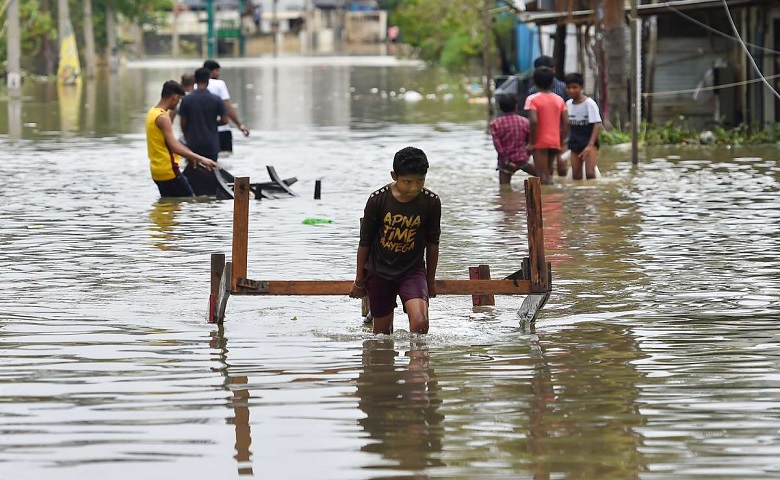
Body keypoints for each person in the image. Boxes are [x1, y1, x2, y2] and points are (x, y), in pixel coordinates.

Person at [349, 147, 441, 335]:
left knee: (420, 322)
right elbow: (364, 242)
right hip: (379, 271)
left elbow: (433, 243)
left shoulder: (431, 202)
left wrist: (430, 280)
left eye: (420, 181)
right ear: (394, 176)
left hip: (412, 270)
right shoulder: (378, 200)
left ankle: (419, 362)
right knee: (382, 334)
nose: (414, 187)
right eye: (407, 182)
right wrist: (359, 280)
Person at [145, 80, 219, 198]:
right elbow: (173, 146)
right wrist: (201, 159)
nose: (178, 103)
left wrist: (191, 155)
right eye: (179, 100)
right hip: (169, 170)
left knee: (170, 206)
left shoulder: (152, 113)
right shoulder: (163, 117)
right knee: (189, 200)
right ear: (174, 97)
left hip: (157, 170)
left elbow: (172, 142)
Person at [179, 68, 229, 195]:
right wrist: (211, 124)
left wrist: (187, 136)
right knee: (211, 173)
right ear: (208, 81)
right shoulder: (216, 99)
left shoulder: (187, 100)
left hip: (193, 144)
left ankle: (195, 197)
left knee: (194, 173)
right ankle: (210, 198)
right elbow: (224, 120)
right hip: (211, 144)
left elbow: (183, 123)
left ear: (195, 80)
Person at [526, 55, 569, 177]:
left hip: (540, 139)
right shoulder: (559, 98)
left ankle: (547, 195)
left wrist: (532, 142)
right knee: (549, 172)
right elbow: (567, 121)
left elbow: (533, 120)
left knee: (543, 175)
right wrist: (561, 140)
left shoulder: (532, 97)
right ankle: (555, 195)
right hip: (556, 138)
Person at [202, 59, 250, 153]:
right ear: (211, 72)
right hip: (222, 130)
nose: (219, 73)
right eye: (217, 71)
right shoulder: (219, 84)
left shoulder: (196, 86)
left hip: (203, 132)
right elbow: (227, 106)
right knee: (225, 158)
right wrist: (240, 125)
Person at [490, 93, 537, 185]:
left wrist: (507, 162)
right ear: (516, 106)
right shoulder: (525, 122)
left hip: (506, 163)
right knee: (542, 178)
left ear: (500, 107)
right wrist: (526, 155)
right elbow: (530, 141)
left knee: (504, 189)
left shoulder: (495, 124)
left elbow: (498, 147)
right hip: (522, 159)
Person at [564, 73, 602, 180]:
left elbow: (597, 123)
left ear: (581, 87)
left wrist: (590, 145)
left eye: (574, 87)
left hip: (588, 142)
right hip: (574, 142)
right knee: (576, 175)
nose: (571, 90)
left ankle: (591, 195)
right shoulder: (568, 104)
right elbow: (567, 124)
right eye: (569, 88)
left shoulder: (589, 103)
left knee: (590, 174)